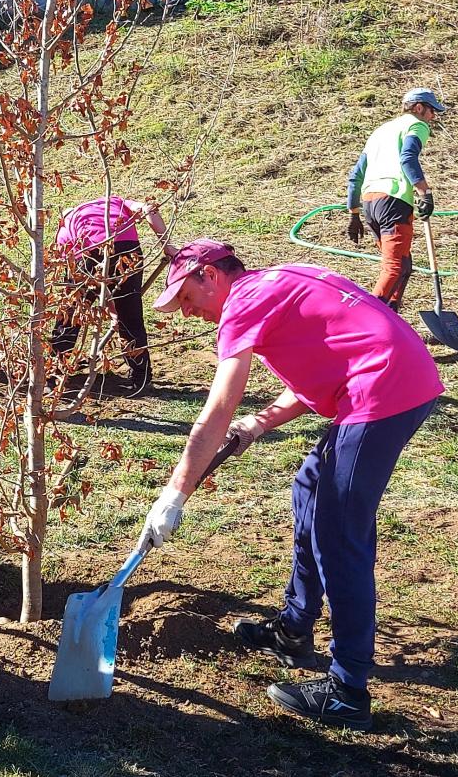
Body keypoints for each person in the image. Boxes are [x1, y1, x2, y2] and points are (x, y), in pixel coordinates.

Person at [140, 240, 442, 730]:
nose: (188, 313)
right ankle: (294, 631)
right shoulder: (281, 280)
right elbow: (324, 364)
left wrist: (175, 493)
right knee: (309, 489)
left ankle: (347, 690)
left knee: (340, 533)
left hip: (382, 393)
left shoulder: (241, 304)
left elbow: (217, 409)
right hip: (390, 379)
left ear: (210, 275)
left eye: (187, 299)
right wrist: (258, 425)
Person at [51, 195, 173, 398]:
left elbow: (81, 276)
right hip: (127, 248)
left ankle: (53, 375)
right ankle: (140, 379)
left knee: (71, 314)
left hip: (87, 252)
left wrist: (101, 303)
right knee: (130, 315)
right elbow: (149, 209)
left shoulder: (66, 224)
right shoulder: (115, 201)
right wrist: (167, 246)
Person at [345, 88, 448, 310]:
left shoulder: (380, 132)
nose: (432, 117)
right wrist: (424, 192)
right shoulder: (416, 125)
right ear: (419, 108)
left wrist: (354, 214)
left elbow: (355, 176)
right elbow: (408, 158)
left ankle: (390, 316)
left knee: (404, 265)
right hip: (394, 202)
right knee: (394, 267)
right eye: (431, 111)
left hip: (370, 203)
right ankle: (368, 320)